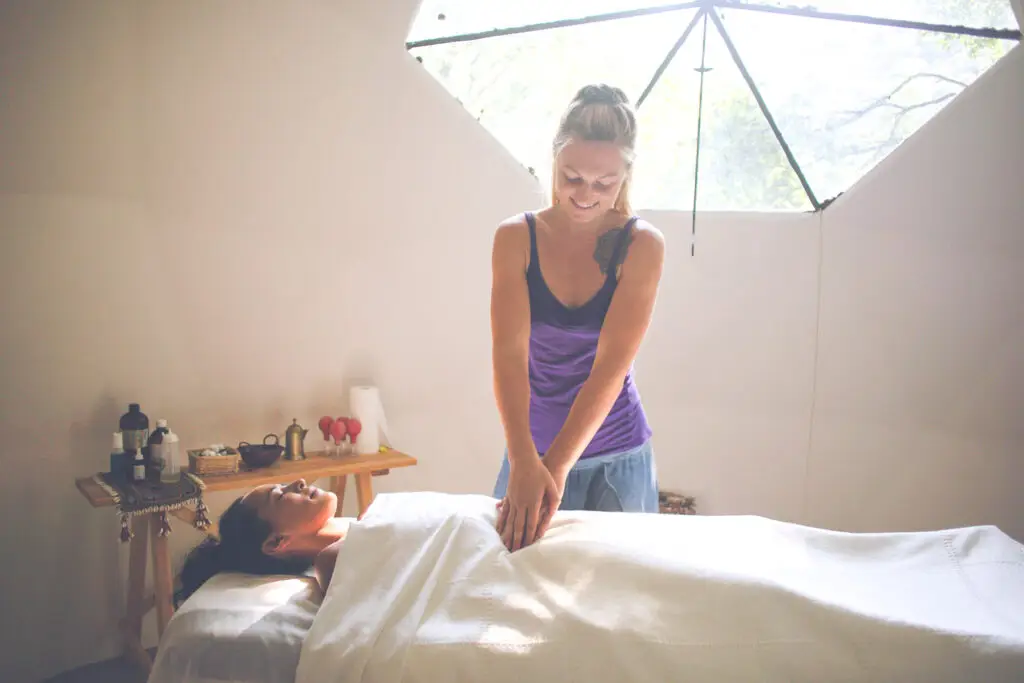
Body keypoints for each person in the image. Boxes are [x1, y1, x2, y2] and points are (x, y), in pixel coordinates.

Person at [490, 83, 666, 553]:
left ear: (625, 177)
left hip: (615, 458)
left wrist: (557, 467)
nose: (585, 195)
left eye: (603, 184)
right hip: (527, 453)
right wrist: (525, 461)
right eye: (572, 177)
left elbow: (610, 368)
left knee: (618, 605)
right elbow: (509, 356)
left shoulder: (641, 245)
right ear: (553, 163)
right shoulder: (516, 237)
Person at [175, 478, 348, 606]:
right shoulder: (332, 560)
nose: (299, 482)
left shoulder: (363, 521)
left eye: (283, 486)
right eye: (279, 497)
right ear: (275, 542)